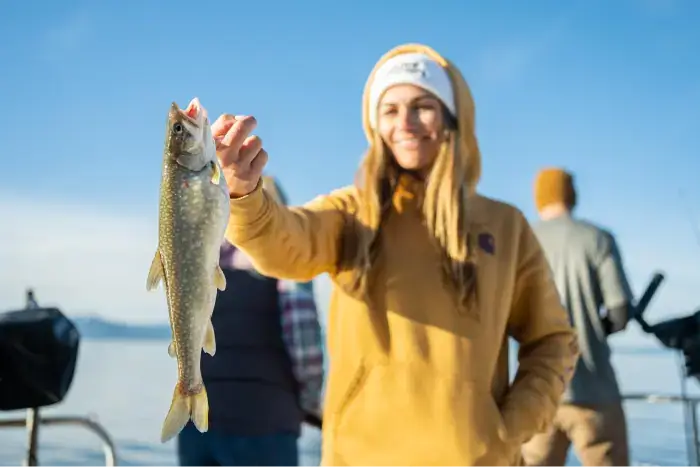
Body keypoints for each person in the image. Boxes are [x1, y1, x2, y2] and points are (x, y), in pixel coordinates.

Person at [213, 43, 580, 467]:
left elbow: (552, 340)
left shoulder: (505, 225)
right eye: (389, 110)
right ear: (374, 125)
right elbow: (285, 242)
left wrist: (509, 428)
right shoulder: (351, 212)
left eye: (422, 106)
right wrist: (243, 194)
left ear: (450, 117)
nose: (404, 123)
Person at [176, 175, 325, 467]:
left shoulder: (203, 263)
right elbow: (304, 344)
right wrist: (309, 402)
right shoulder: (288, 260)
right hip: (265, 425)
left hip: (198, 423)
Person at [521, 168, 633, 467]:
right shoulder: (598, 239)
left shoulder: (520, 241)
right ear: (573, 195)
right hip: (594, 389)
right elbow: (620, 312)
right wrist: (593, 329)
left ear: (539, 197)